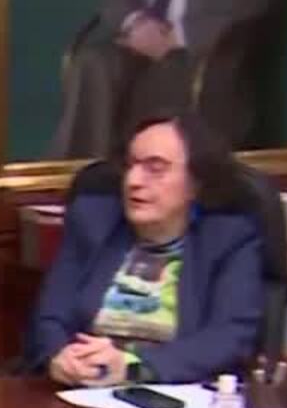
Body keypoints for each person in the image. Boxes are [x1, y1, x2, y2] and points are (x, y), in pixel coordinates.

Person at [30, 115, 263, 387]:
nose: (133, 181)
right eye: (130, 165)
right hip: (81, 391)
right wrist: (59, 357)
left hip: (176, 395)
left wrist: (133, 366)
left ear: (196, 183)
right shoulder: (93, 222)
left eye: (155, 168)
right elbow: (50, 318)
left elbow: (229, 337)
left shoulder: (228, 238)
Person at [51, 0, 271, 156]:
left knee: (166, 81)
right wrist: (135, 23)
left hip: (200, 49)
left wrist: (181, 35)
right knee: (93, 65)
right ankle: (80, 173)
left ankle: (142, 172)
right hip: (138, 37)